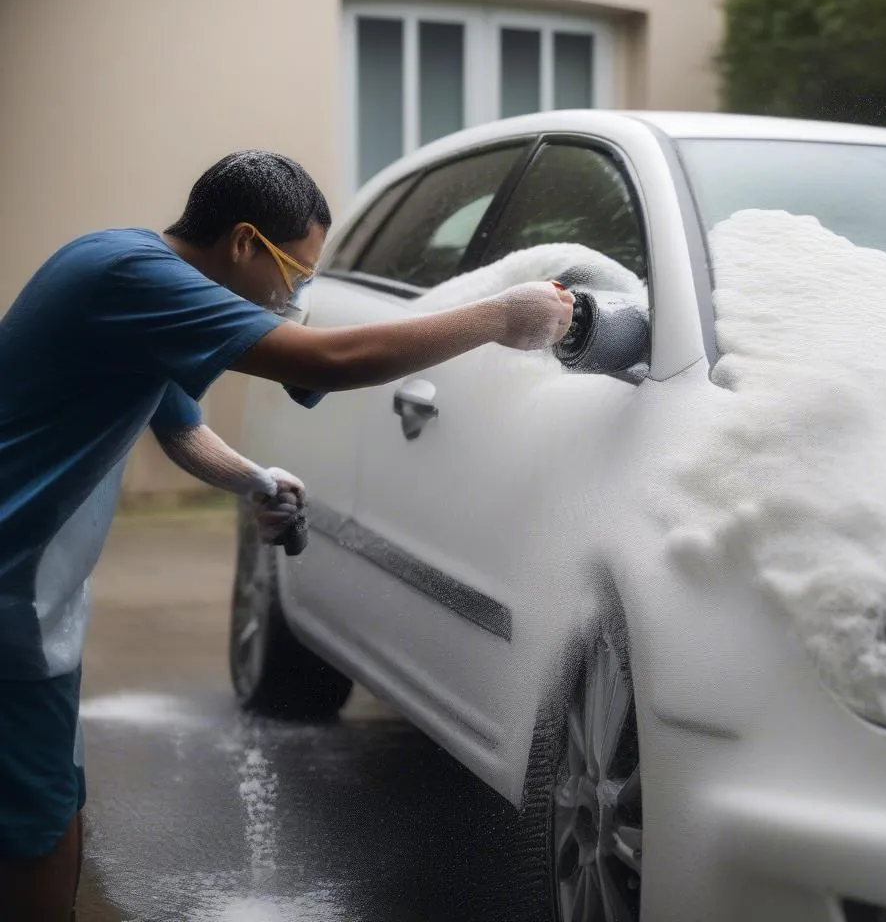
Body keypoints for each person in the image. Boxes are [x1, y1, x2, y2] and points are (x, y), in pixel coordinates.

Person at [0, 150, 574, 921]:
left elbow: (177, 424)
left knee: (51, 798)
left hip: (42, 592)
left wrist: (253, 479)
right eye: (292, 272)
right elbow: (326, 361)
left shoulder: (132, 279)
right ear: (242, 243)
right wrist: (502, 318)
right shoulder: (131, 276)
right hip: (12, 593)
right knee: (36, 822)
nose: (295, 293)